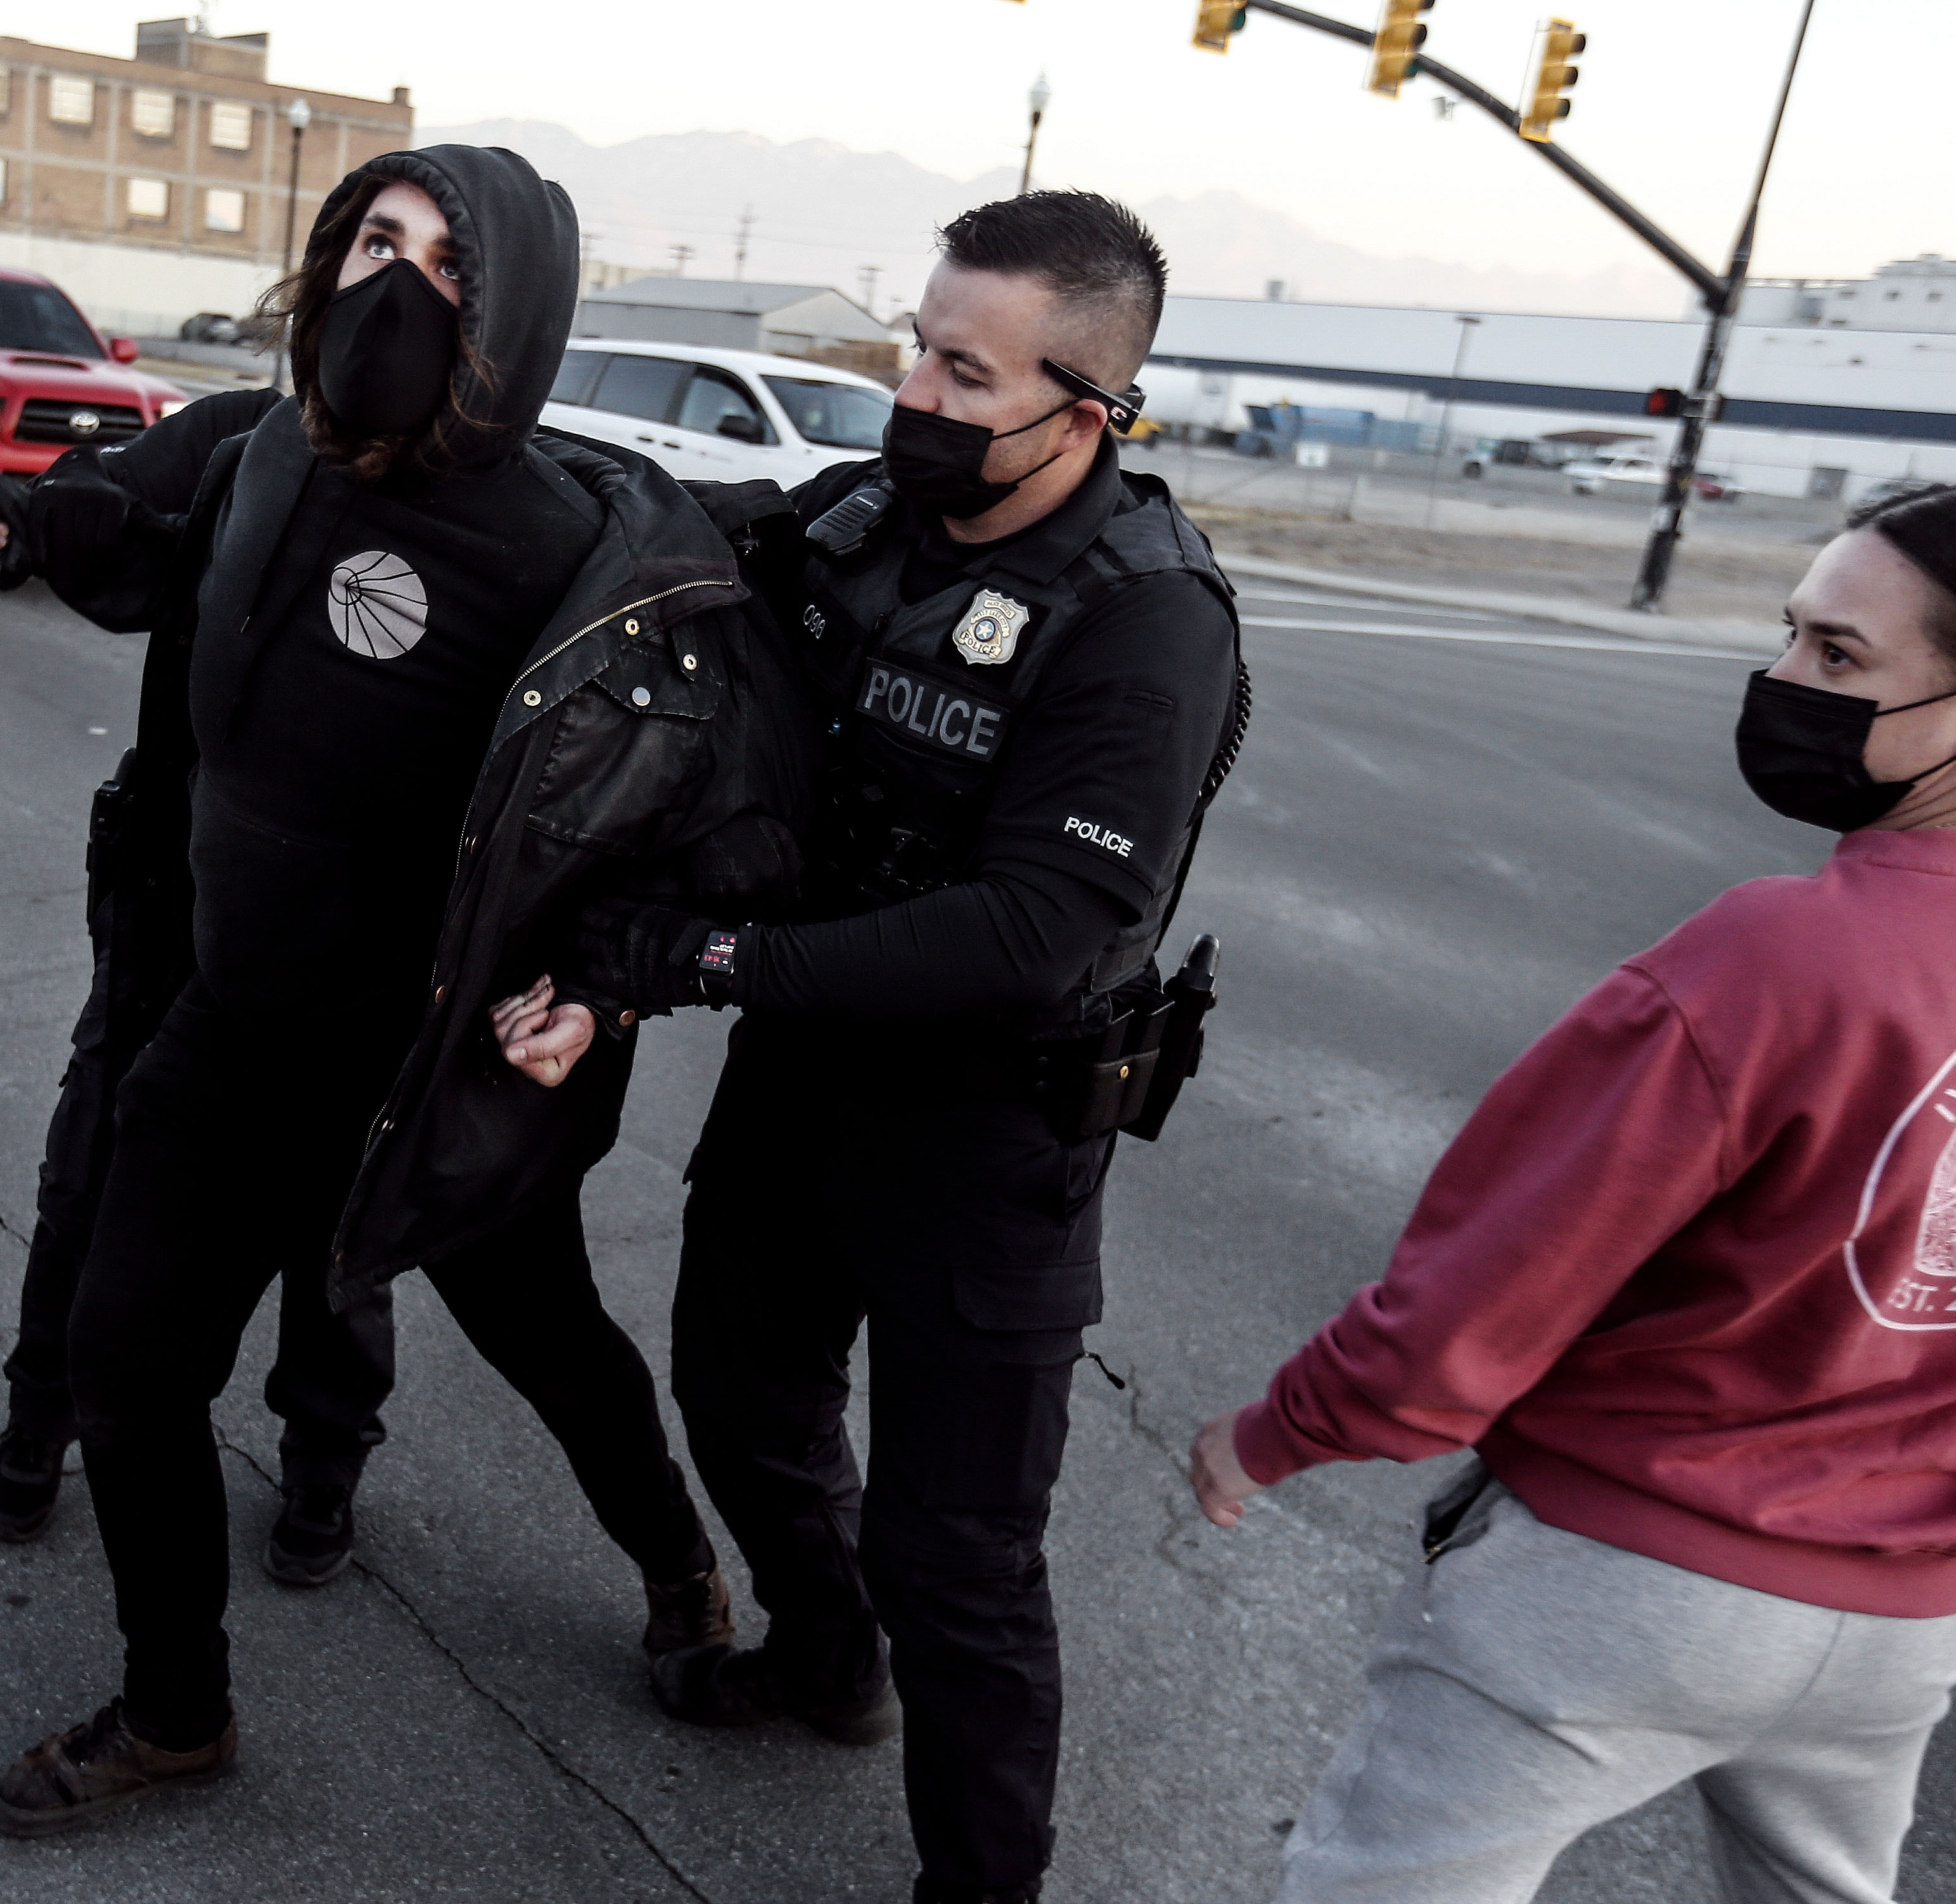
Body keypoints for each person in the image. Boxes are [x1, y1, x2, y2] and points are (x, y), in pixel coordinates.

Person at [0, 144, 808, 1837]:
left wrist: (607, 990)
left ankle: (677, 1558)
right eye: (373, 243)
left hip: (432, 1063)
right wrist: (34, 521)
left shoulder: (576, 544)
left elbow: (701, 813)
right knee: (125, 1370)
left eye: (448, 269)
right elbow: (143, 538)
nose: (396, 292)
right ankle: (179, 1710)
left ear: (518, 313)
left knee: (548, 1337)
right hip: (237, 1031)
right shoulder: (265, 453)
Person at [1188, 479, 1956, 1901]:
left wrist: (1275, 1432)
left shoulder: (1770, 956)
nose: (1779, 683)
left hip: (1612, 1587)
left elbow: (1478, 1301)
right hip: (1898, 1631)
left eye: (1837, 660)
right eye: (1789, 635)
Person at [548, 191, 1243, 1904]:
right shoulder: (868, 517)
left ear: (1087, 410)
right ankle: (820, 1658)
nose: (914, 398)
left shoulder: (1144, 617)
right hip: (804, 1087)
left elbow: (1037, 933)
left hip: (985, 1146)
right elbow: (693, 538)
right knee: (741, 1398)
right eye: (915, 352)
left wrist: (703, 957)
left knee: (964, 1560)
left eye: (961, 371)